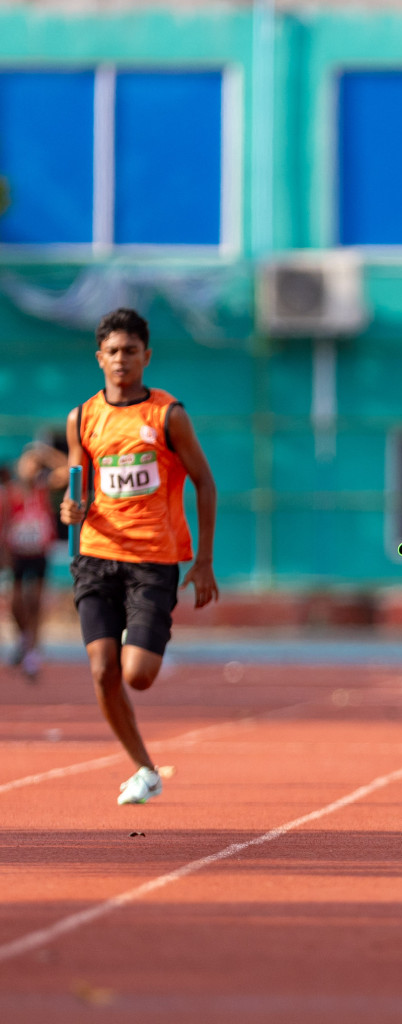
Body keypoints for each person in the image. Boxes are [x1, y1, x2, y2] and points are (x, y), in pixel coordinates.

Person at [58, 308, 220, 804]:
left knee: (138, 676)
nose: (121, 359)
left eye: (131, 351)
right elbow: (77, 486)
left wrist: (204, 560)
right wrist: (70, 508)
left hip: (153, 558)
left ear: (146, 357)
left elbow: (204, 482)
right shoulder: (82, 418)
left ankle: (139, 629)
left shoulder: (168, 415)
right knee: (103, 670)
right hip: (96, 555)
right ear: (99, 359)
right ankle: (144, 768)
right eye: (112, 352)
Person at [4, 445, 68, 680]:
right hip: (19, 553)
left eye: (35, 465)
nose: (31, 469)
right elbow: (5, 523)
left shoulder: (43, 488)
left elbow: (68, 469)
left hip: (39, 552)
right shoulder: (11, 492)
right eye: (28, 464)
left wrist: (45, 453)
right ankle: (23, 638)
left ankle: (33, 651)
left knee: (36, 603)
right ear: (21, 467)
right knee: (17, 603)